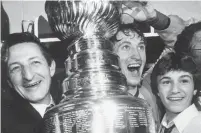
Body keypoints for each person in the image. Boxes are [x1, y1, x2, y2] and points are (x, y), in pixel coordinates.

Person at [1, 32, 61, 133]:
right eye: (16, 68)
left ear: (51, 68)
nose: (28, 76)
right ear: (9, 82)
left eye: (35, 62)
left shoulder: (72, 105)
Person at [150, 52, 201, 133]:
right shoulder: (160, 127)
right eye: (166, 82)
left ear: (195, 89)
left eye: (184, 81)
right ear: (157, 90)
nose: (175, 90)